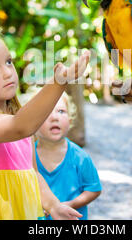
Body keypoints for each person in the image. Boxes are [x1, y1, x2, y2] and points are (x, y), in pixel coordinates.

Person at [0, 27, 90, 220]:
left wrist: (54, 205)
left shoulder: (19, 123)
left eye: (8, 62)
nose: (7, 73)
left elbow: (33, 175)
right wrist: (59, 82)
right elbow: (18, 126)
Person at [34, 91, 102, 220]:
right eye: (47, 111)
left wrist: (71, 204)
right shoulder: (27, 156)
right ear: (33, 122)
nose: (55, 117)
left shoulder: (80, 157)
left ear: (70, 121)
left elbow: (94, 189)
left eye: (61, 111)